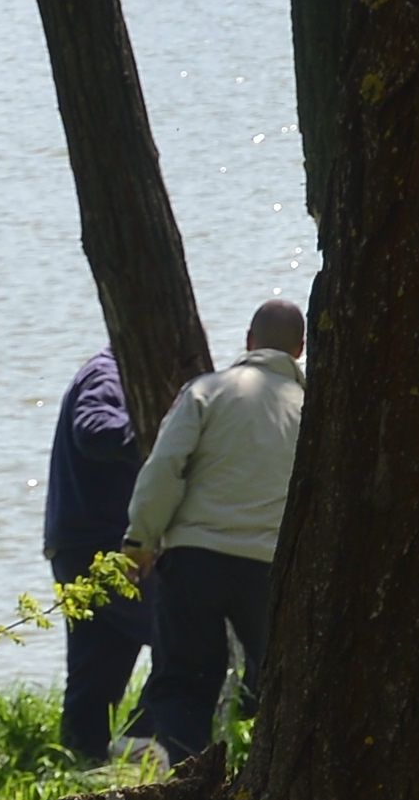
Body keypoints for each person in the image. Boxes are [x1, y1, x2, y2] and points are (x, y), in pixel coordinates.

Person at [120, 297, 305, 762]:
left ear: (248, 341)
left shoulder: (206, 391)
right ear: (299, 350)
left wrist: (140, 540)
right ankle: (277, 785)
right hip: (271, 568)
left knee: (184, 683)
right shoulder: (315, 409)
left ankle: (187, 786)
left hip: (194, 558)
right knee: (284, 685)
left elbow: (164, 468)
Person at [42, 347, 154, 763]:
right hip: (101, 546)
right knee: (184, 637)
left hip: (79, 542)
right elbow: (92, 429)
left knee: (95, 674)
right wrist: (162, 430)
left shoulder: (110, 372)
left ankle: (79, 766)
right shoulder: (109, 374)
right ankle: (148, 744)